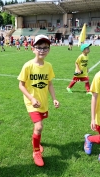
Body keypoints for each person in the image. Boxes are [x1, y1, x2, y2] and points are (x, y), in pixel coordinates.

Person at [18, 34, 60, 167]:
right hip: (31, 102)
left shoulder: (48, 66)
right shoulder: (28, 66)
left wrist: (54, 99)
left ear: (49, 49)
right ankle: (36, 152)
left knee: (39, 127)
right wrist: (31, 98)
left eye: (45, 47)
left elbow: (50, 84)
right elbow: (21, 85)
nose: (42, 50)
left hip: (43, 101)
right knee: (39, 126)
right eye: (39, 47)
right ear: (33, 49)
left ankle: (35, 141)